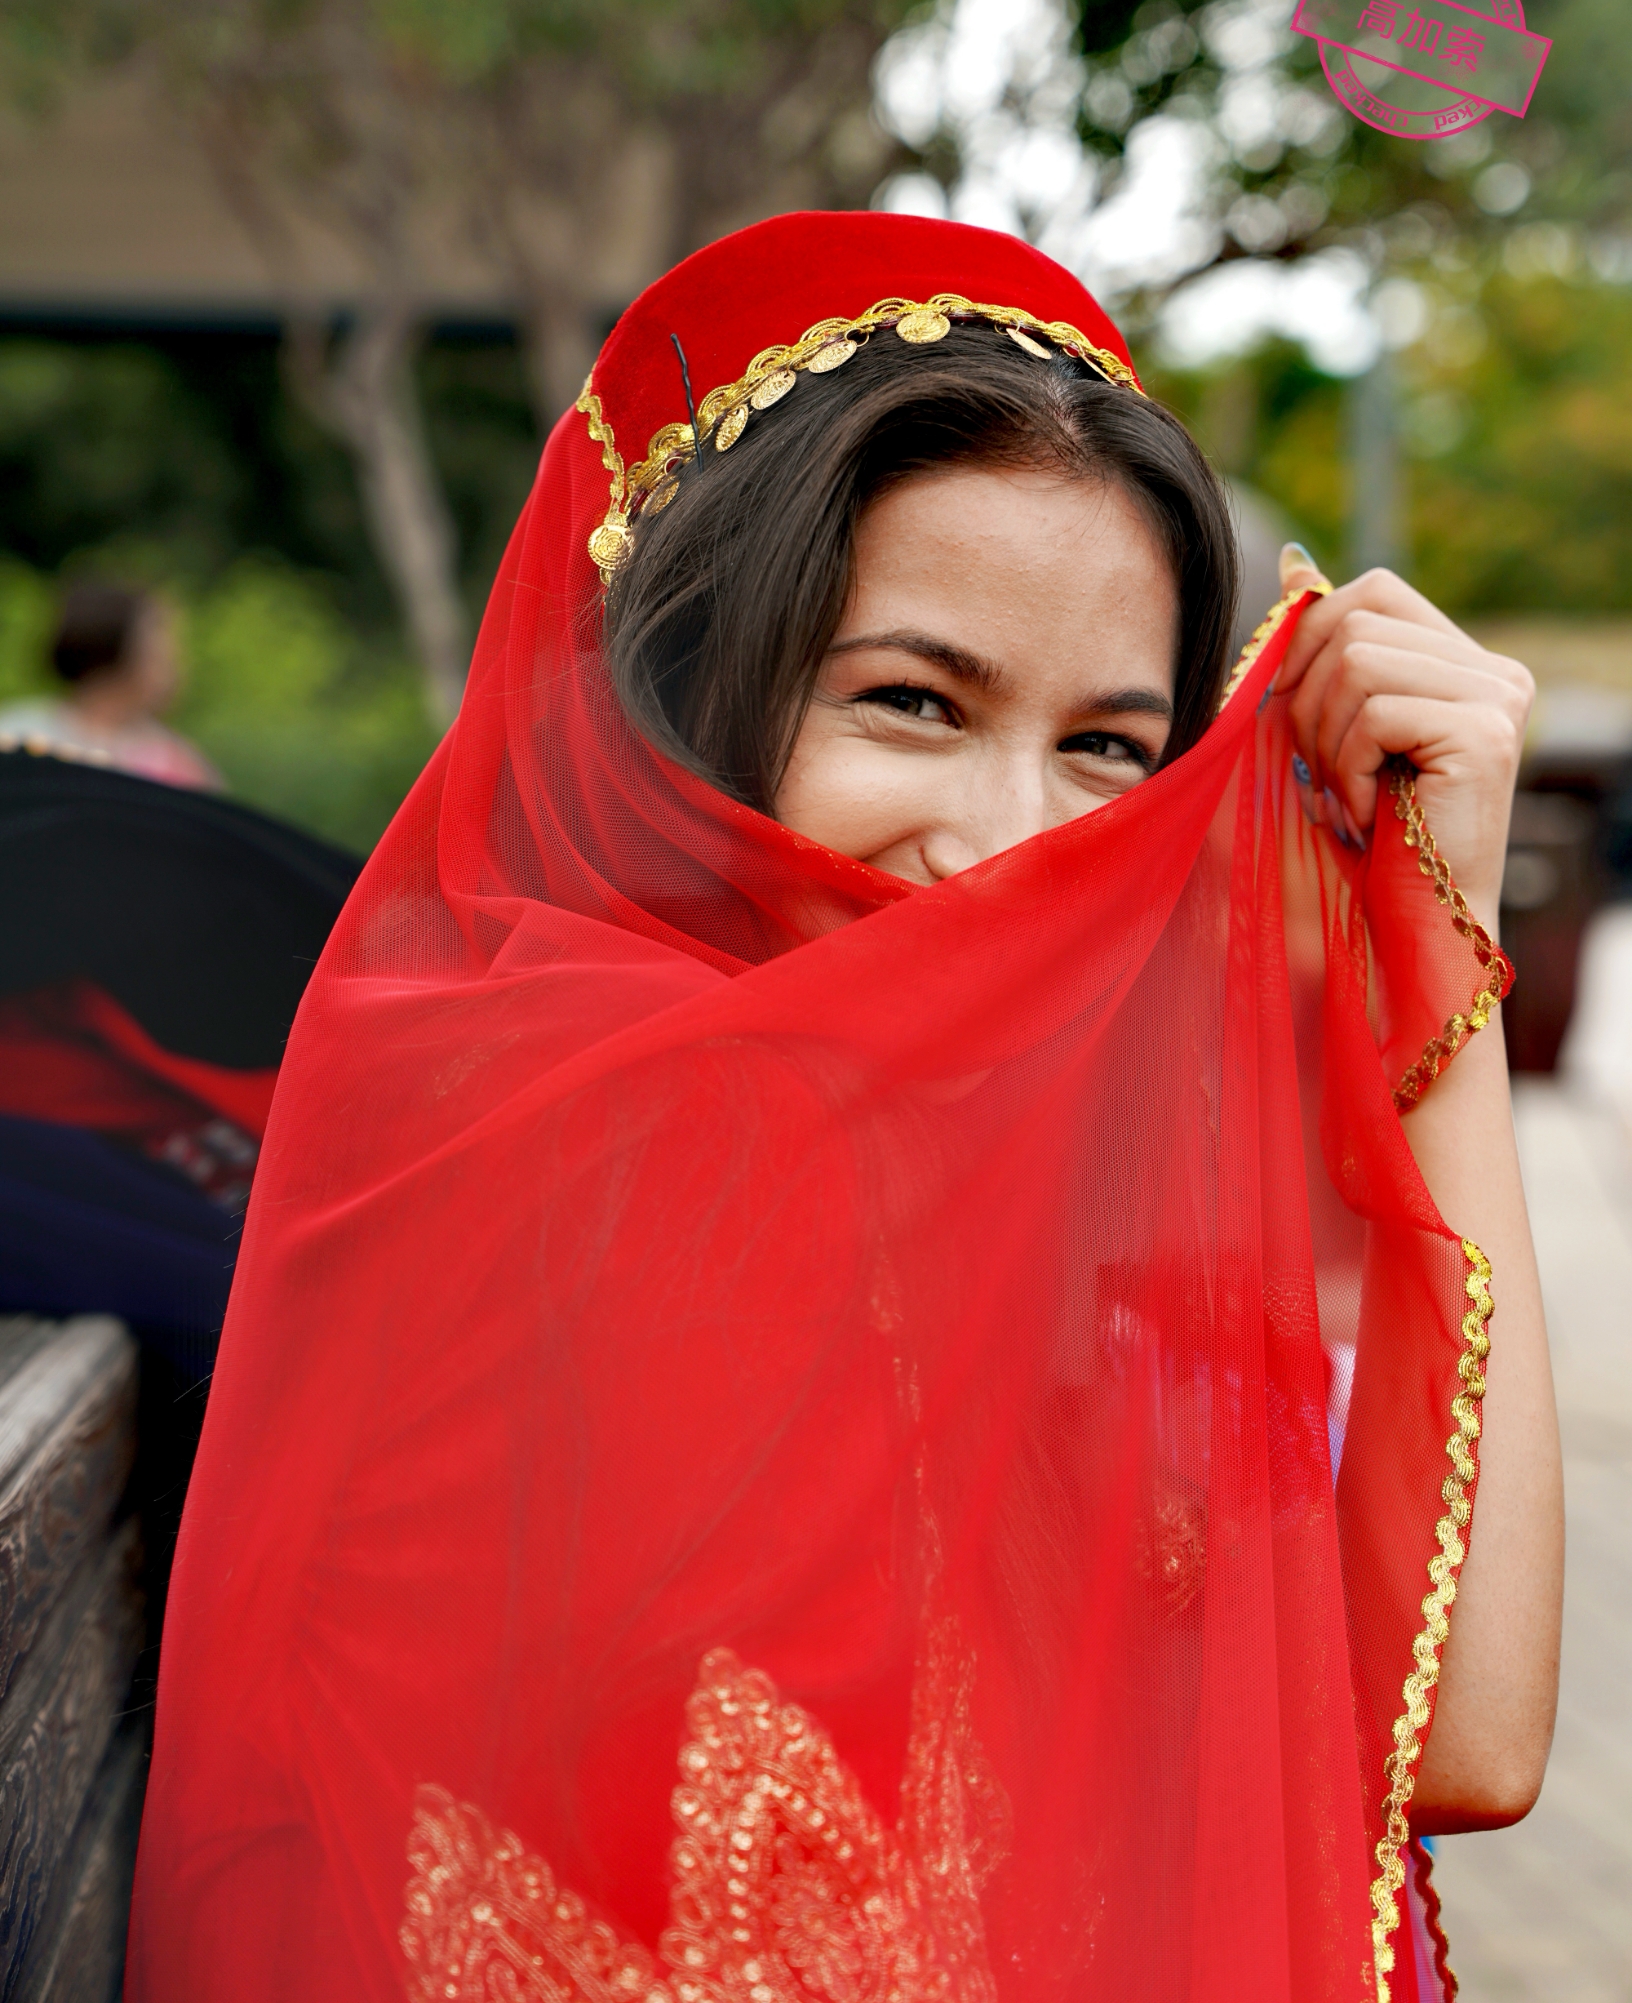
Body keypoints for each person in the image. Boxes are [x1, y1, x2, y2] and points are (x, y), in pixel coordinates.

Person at [127, 214, 1561, 2003]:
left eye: (1107, 745)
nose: (1009, 841)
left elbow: (1461, 1743)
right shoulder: (566, 1143)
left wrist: (1441, 919)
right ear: (677, 701)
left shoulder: (1041, 1162)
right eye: (910, 701)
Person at [0, 580, 219, 788]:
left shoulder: (178, 764)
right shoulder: (17, 738)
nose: (177, 665)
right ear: (111, 650)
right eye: (160, 650)